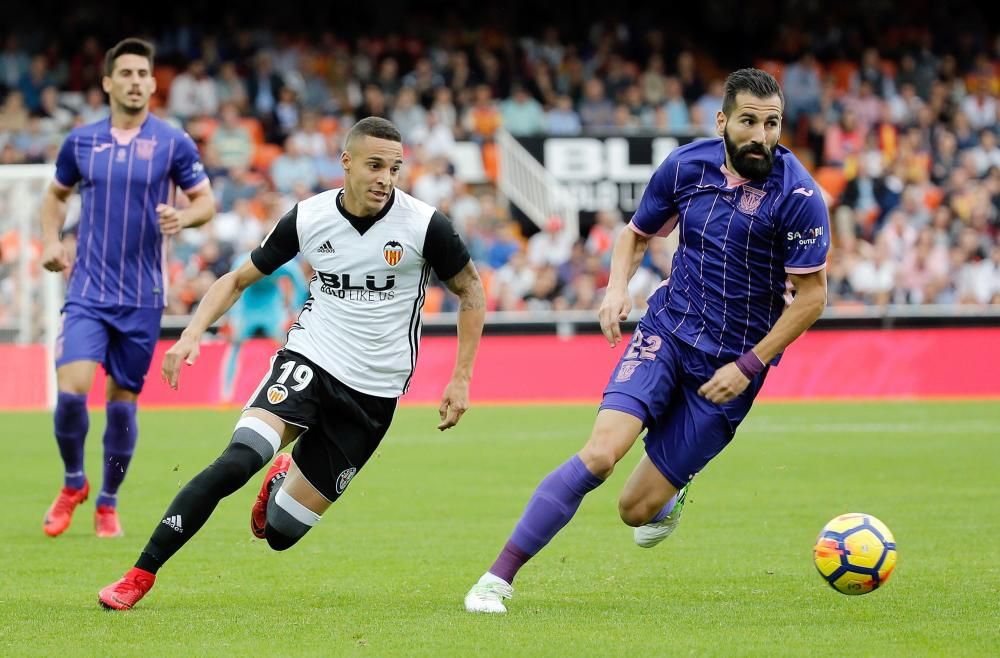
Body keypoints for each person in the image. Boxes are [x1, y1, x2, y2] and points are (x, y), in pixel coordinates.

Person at [464, 68, 830, 613]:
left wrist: (750, 365)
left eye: (772, 123)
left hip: (731, 368)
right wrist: (616, 290)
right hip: (667, 332)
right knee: (600, 455)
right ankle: (496, 579)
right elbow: (635, 235)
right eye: (749, 121)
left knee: (634, 511)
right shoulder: (686, 166)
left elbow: (811, 298)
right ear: (723, 121)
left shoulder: (798, 194)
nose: (761, 135)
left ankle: (671, 493)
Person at [98, 117, 486, 610]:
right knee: (237, 461)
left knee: (280, 533)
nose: (386, 178)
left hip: (373, 395)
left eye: (394, 168)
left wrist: (461, 377)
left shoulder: (424, 225)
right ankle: (139, 574)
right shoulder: (309, 217)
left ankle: (283, 476)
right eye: (374, 165)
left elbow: (471, 291)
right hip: (310, 361)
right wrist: (191, 334)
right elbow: (237, 279)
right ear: (346, 163)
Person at [39, 38, 215, 539]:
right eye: (128, 73)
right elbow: (54, 199)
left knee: (122, 402)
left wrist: (183, 216)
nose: (137, 81)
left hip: (142, 297)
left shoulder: (173, 142)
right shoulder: (81, 141)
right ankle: (74, 482)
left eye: (144, 73)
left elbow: (206, 203)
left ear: (153, 83)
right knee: (71, 393)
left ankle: (107, 503)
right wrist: (51, 241)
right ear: (108, 83)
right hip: (88, 292)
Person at [220, 249, 308, 401]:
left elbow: (300, 285)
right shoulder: (242, 262)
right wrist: (230, 315)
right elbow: (229, 287)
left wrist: (293, 309)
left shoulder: (286, 264)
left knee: (286, 346)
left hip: (271, 307)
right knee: (235, 344)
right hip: (246, 306)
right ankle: (226, 394)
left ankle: (287, 389)